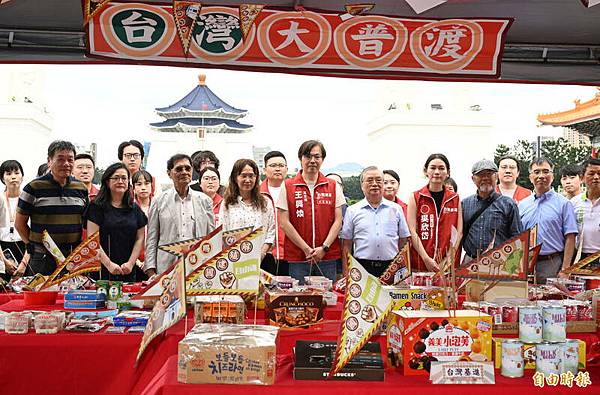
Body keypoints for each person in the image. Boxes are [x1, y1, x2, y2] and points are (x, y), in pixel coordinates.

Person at [15, 141, 88, 275]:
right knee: (41, 294)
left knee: (70, 294)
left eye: (70, 160)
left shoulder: (81, 188)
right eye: (60, 159)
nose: (66, 164)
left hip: (72, 257)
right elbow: (19, 224)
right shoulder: (33, 188)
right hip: (42, 257)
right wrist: (33, 245)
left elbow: (84, 222)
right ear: (49, 160)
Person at [277, 140, 344, 284]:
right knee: (300, 300)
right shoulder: (288, 186)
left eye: (317, 157)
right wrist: (306, 249)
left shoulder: (332, 185)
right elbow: (284, 222)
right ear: (301, 158)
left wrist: (324, 248)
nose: (312, 160)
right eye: (308, 156)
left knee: (327, 300)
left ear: (322, 159)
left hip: (327, 256)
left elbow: (338, 220)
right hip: (299, 257)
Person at [145, 154, 215, 276]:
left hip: (198, 267)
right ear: (169, 173)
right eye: (179, 169)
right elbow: (152, 238)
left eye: (187, 168)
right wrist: (151, 270)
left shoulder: (205, 201)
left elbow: (211, 237)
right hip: (166, 269)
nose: (184, 172)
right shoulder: (158, 201)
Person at [341, 166, 410, 277]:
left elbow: (403, 241)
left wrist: (403, 269)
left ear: (383, 184)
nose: (374, 184)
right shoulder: (352, 211)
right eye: (369, 180)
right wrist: (346, 272)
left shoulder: (396, 209)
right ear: (362, 186)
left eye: (378, 180)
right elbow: (346, 245)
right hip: (362, 267)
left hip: (391, 267)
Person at [519, 157, 578, 283]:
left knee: (551, 300)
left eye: (545, 171)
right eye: (536, 172)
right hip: (525, 264)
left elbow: (571, 237)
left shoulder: (564, 204)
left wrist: (565, 269)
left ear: (552, 176)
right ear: (530, 177)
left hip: (552, 263)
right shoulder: (522, 205)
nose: (541, 176)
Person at [85, 163, 147, 282]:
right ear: (107, 182)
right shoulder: (96, 207)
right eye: (116, 178)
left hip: (128, 269)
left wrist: (130, 263)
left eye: (124, 178)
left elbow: (140, 238)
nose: (120, 181)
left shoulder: (134, 208)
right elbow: (92, 240)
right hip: (101, 269)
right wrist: (109, 264)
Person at [407, 153, 462, 273]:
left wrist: (448, 259)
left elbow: (459, 232)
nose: (437, 172)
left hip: (447, 265)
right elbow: (412, 231)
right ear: (425, 171)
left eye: (441, 168)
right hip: (421, 262)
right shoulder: (416, 197)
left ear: (448, 172)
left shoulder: (455, 198)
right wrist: (426, 258)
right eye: (433, 168)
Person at [461, 159, 522, 261]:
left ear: (496, 177)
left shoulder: (508, 204)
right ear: (473, 179)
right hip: (470, 262)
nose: (485, 178)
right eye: (481, 174)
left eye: (489, 174)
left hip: (498, 262)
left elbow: (517, 238)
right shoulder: (464, 204)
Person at [219, 159, 275, 263]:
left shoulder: (266, 202)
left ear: (256, 177)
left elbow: (271, 233)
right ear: (236, 178)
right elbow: (223, 233)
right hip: (235, 261)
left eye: (251, 176)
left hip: (262, 260)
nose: (248, 180)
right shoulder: (227, 203)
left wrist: (261, 254)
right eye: (243, 175)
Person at [260, 151, 288, 275]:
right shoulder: (257, 194)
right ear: (265, 169)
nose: (277, 169)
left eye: (281, 165)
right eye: (273, 165)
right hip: (265, 254)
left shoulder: (294, 192)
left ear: (286, 169)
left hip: (290, 255)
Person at [0, 160, 29, 278]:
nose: (13, 177)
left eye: (16, 173)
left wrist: (24, 263)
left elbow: (33, 236)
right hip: (2, 250)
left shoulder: (28, 200)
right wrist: (4, 261)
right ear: (2, 178)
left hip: (26, 250)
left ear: (22, 176)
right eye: (8, 174)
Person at [571, 158, 600, 269]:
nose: (596, 177)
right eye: (591, 174)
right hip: (580, 258)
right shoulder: (574, 202)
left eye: (599, 173)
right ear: (582, 178)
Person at [132, 169, 154, 280]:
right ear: (133, 188)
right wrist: (136, 261)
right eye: (139, 184)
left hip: (154, 263)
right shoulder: (129, 209)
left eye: (147, 183)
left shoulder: (158, 207)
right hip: (133, 262)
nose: (143, 187)